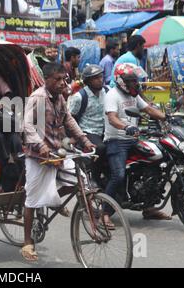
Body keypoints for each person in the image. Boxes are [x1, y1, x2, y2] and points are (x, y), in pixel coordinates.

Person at [22, 62, 95, 261]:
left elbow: (68, 119)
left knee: (79, 181)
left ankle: (53, 200)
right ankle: (28, 242)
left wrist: (84, 139)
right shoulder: (37, 97)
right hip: (37, 155)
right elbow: (27, 126)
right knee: (32, 198)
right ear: (46, 80)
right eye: (58, 79)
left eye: (64, 78)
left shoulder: (60, 98)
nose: (63, 82)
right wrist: (40, 145)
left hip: (56, 151)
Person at [103, 63, 171, 229]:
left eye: (135, 80)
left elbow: (148, 109)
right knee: (118, 175)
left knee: (156, 164)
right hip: (116, 141)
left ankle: (148, 208)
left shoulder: (133, 95)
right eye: (131, 80)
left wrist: (167, 117)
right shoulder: (112, 95)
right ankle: (104, 214)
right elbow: (112, 118)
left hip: (134, 139)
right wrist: (126, 127)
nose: (135, 83)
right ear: (120, 81)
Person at [69, 65, 108, 185]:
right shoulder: (79, 97)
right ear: (88, 81)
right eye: (95, 78)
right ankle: (93, 177)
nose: (100, 80)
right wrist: (75, 137)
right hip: (88, 130)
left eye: (101, 77)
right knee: (100, 148)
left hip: (105, 129)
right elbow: (70, 118)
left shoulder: (107, 91)